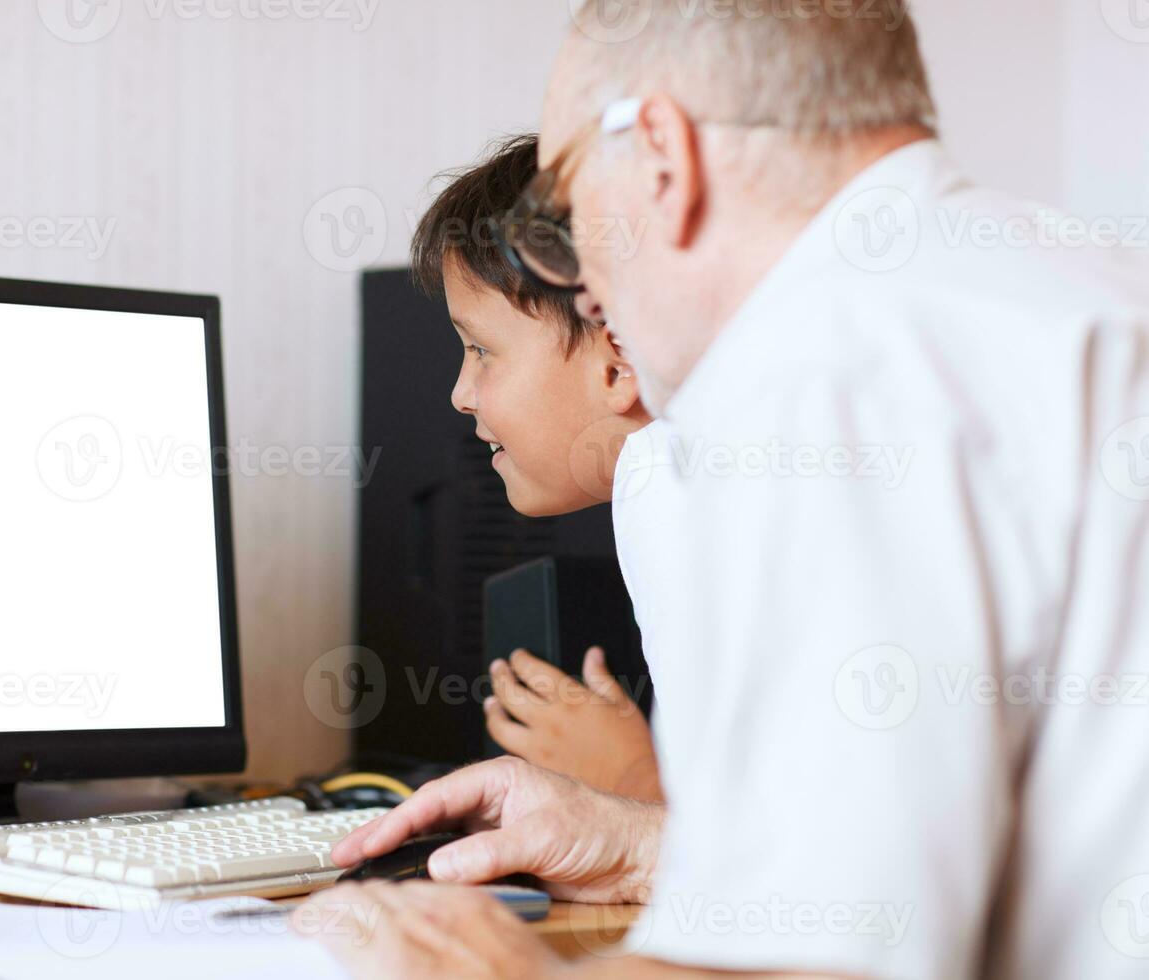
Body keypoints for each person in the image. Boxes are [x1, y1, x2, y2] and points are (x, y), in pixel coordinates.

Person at [297, 2, 1149, 978]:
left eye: (567, 201)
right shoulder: (1075, 285)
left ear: (661, 154)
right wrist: (636, 839)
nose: (583, 281)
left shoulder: (824, 362)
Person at [410, 133, 660, 802]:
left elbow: (773, 870)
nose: (461, 393)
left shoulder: (670, 485)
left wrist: (628, 777)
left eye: (481, 350)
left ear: (619, 361)